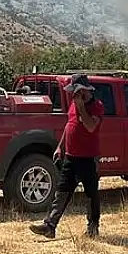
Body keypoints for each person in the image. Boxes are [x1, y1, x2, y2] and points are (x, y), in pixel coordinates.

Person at [29, 73, 104, 239]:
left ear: (84, 91)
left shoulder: (96, 106)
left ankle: (93, 227)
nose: (72, 95)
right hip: (71, 156)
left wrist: (81, 106)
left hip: (88, 157)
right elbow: (69, 125)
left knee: (91, 193)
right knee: (62, 191)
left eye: (75, 91)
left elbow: (91, 126)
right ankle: (50, 225)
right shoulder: (73, 104)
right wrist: (60, 146)